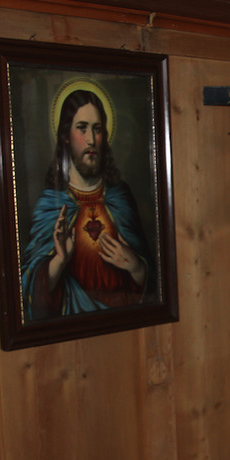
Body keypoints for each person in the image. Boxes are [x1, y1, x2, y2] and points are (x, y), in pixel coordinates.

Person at [21, 88, 153, 321]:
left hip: (127, 326)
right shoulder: (51, 205)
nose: (91, 139)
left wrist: (135, 266)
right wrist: (59, 261)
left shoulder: (120, 197)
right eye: (82, 128)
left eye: (97, 129)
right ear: (66, 135)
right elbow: (29, 294)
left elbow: (155, 287)